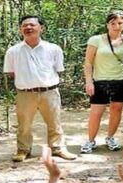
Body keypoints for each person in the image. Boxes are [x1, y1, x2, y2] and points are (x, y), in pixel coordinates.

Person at [4, 15, 76, 162]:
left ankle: (57, 148)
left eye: (32, 25)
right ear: (20, 29)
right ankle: (23, 150)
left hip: (49, 92)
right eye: (24, 26)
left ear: (41, 28)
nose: (28, 28)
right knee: (24, 125)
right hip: (25, 93)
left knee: (54, 122)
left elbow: (58, 69)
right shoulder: (13, 51)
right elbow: (11, 73)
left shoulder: (53, 49)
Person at [81, 11, 123, 154]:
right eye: (113, 23)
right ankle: (90, 140)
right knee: (96, 112)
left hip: (122, 80)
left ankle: (110, 137)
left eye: (120, 23)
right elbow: (88, 62)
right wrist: (89, 82)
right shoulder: (96, 40)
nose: (116, 26)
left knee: (117, 109)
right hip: (101, 80)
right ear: (107, 24)